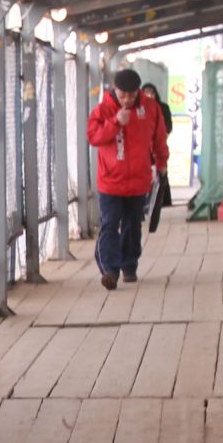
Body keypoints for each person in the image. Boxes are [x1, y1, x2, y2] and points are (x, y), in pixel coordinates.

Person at [87, 67, 168, 289]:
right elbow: (93, 137)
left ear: (138, 92)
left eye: (132, 96)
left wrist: (161, 164)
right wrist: (115, 122)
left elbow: (159, 138)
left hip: (139, 181)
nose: (127, 100)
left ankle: (129, 265)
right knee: (110, 224)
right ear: (115, 90)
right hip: (110, 181)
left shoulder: (150, 108)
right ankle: (110, 271)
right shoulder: (103, 110)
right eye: (123, 95)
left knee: (133, 225)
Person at [141, 81, 173, 234]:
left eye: (151, 93)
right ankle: (145, 205)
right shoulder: (139, 109)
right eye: (146, 93)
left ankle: (156, 203)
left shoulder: (162, 108)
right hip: (143, 150)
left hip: (157, 148)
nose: (149, 96)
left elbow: (167, 128)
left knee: (159, 177)